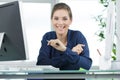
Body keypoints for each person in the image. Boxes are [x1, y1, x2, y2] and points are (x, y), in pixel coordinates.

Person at [36, 2, 92, 80]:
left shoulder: (77, 36)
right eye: (56, 18)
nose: (60, 22)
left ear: (70, 21)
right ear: (52, 20)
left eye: (65, 19)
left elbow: (86, 65)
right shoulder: (48, 37)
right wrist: (71, 53)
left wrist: (64, 49)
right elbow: (41, 63)